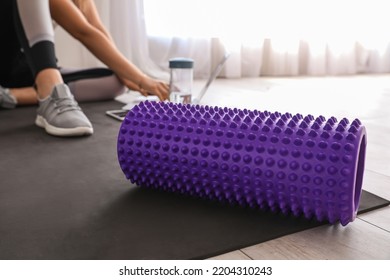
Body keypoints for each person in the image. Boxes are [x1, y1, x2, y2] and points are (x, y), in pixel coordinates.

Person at [0, 0, 169, 136]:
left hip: (26, 67)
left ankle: (9, 96)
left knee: (114, 83)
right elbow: (83, 32)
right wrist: (141, 78)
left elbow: (97, 31)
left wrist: (129, 77)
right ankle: (50, 90)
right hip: (11, 63)